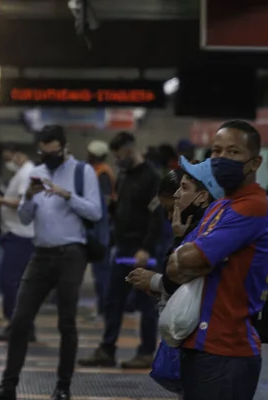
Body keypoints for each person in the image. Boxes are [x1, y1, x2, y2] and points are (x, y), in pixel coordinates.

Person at [0, 125, 102, 400]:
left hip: (72, 253)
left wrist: (65, 194)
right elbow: (24, 218)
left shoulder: (82, 172)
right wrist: (29, 199)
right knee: (20, 321)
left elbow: (95, 212)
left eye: (53, 152)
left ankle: (63, 387)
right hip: (41, 253)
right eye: (43, 153)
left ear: (64, 147)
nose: (49, 158)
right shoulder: (37, 173)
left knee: (66, 322)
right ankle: (8, 387)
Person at [165, 120, 268, 400]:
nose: (221, 159)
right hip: (198, 345)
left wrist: (194, 258)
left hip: (228, 352)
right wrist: (194, 258)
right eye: (216, 151)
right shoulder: (219, 206)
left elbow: (192, 257)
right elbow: (174, 266)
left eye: (233, 152)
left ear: (254, 162)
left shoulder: (254, 206)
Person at [78, 131, 163, 369]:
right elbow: (122, 209)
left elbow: (156, 216)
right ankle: (107, 350)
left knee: (146, 305)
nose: (117, 160)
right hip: (123, 249)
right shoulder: (124, 176)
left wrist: (146, 248)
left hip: (142, 252)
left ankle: (146, 352)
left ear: (130, 149)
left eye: (119, 155)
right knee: (113, 301)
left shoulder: (152, 178)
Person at [127, 158, 224, 302]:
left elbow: (177, 276)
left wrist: (156, 282)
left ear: (203, 196)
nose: (177, 194)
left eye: (184, 188)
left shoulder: (211, 229)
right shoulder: (194, 227)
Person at [0, 143, 36, 342]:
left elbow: (25, 202)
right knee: (16, 284)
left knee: (10, 282)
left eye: (10, 157)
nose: (9, 161)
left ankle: (18, 327)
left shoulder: (27, 173)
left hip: (21, 236)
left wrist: (1, 201)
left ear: (20, 155)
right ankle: (21, 327)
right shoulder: (24, 172)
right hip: (16, 234)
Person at [86, 140, 116, 319]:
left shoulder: (102, 174)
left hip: (101, 228)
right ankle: (102, 307)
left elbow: (105, 201)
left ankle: (105, 309)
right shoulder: (95, 171)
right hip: (98, 225)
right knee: (99, 270)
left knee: (102, 270)